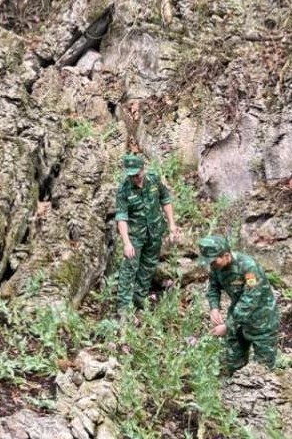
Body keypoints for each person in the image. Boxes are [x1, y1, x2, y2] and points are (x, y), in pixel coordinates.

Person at [198, 235, 279, 375]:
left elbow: (250, 300)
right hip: (237, 318)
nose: (211, 265)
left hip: (262, 320)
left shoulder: (249, 267)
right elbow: (213, 287)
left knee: (263, 370)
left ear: (226, 255)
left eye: (213, 261)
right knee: (233, 363)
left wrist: (228, 325)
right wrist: (214, 307)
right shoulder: (216, 267)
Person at [114, 153, 179, 315]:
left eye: (137, 174)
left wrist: (172, 225)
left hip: (155, 232)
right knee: (129, 268)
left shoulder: (154, 180)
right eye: (131, 175)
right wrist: (126, 242)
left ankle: (140, 299)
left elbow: (165, 199)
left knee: (148, 267)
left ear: (143, 169)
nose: (135, 178)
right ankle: (123, 309)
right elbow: (121, 217)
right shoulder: (123, 189)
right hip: (135, 236)